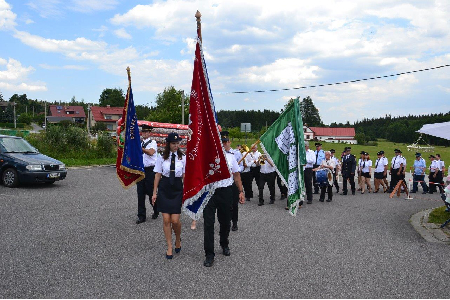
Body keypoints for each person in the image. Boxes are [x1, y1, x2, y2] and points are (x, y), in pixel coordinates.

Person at [203, 132, 245, 267]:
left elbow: (237, 175)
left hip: (226, 191)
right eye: (222, 141)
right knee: (208, 224)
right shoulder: (208, 155)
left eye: (226, 141)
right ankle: (209, 254)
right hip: (210, 192)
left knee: (225, 222)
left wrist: (240, 191)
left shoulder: (231, 157)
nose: (224, 143)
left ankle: (224, 243)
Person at [151, 132, 186, 259]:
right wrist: (154, 192)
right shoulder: (161, 157)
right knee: (166, 220)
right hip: (165, 187)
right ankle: (169, 246)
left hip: (177, 188)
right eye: (173, 143)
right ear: (168, 144)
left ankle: (178, 238)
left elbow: (184, 176)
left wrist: (187, 192)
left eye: (177, 143)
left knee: (175, 220)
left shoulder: (183, 157)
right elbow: (157, 175)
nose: (176, 146)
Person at [136, 124, 158, 224]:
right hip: (141, 170)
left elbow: (151, 152)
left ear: (150, 133)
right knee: (140, 193)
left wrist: (141, 149)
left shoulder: (153, 142)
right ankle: (141, 216)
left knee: (150, 193)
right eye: (143, 132)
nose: (144, 134)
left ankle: (156, 209)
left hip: (150, 170)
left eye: (146, 132)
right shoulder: (140, 144)